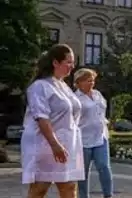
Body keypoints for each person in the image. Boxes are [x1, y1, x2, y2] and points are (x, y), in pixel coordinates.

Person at [21, 44, 84, 198]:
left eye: (73, 62)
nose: (72, 66)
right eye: (68, 62)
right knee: (39, 188)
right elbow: (41, 117)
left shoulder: (63, 85)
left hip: (68, 144)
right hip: (45, 144)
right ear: (55, 62)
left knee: (69, 187)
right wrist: (55, 145)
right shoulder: (40, 86)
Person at [74, 68, 113, 198]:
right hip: (83, 140)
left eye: (92, 80)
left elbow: (102, 111)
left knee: (104, 166)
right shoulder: (75, 98)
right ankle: (83, 196)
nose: (91, 83)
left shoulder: (97, 94)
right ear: (78, 82)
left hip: (100, 137)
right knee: (83, 172)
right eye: (87, 80)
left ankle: (108, 195)